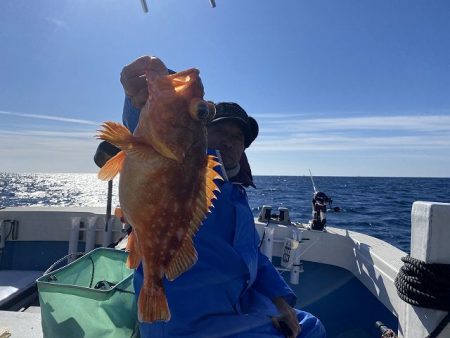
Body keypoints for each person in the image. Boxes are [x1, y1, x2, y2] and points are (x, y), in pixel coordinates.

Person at [120, 56, 326, 338]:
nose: (230, 141)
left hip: (239, 308)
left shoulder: (236, 194)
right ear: (202, 133)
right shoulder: (185, 167)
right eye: (221, 130)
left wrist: (279, 299)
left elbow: (252, 255)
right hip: (187, 320)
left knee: (311, 327)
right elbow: (155, 127)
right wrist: (147, 91)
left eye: (238, 137)